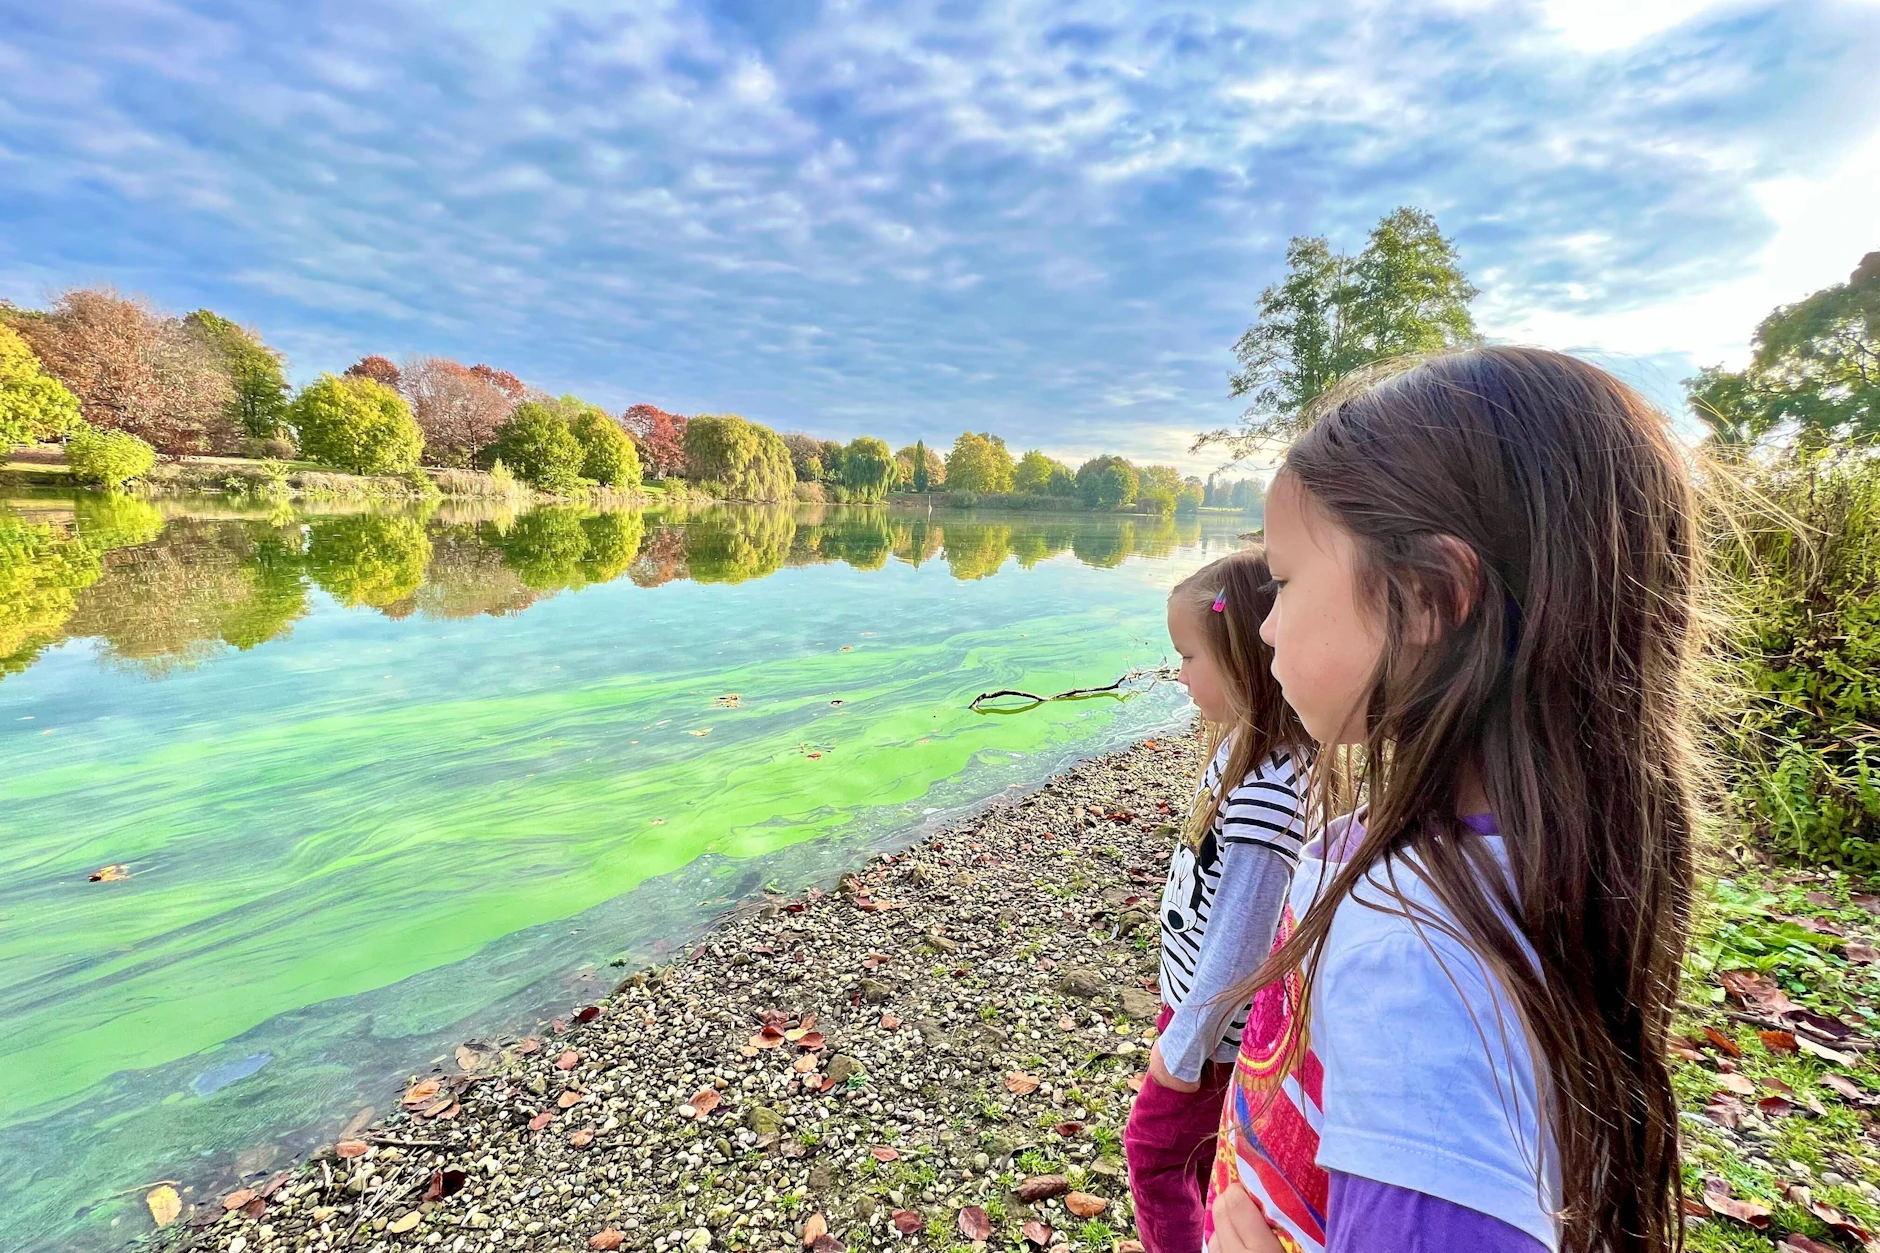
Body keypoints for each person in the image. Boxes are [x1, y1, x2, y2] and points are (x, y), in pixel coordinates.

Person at [1205, 347, 1702, 1253]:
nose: (1265, 623)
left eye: (1283, 581)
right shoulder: (1538, 859)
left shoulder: (1418, 962)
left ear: (1429, 596)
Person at [1127, 550, 1311, 1253]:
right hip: (1198, 1019)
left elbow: (1240, 945)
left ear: (1241, 660)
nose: (1179, 675)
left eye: (1188, 657)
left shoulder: (1269, 793)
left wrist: (1184, 1049)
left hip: (1211, 1034)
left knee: (1154, 1154)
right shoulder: (1246, 749)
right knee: (1204, 1160)